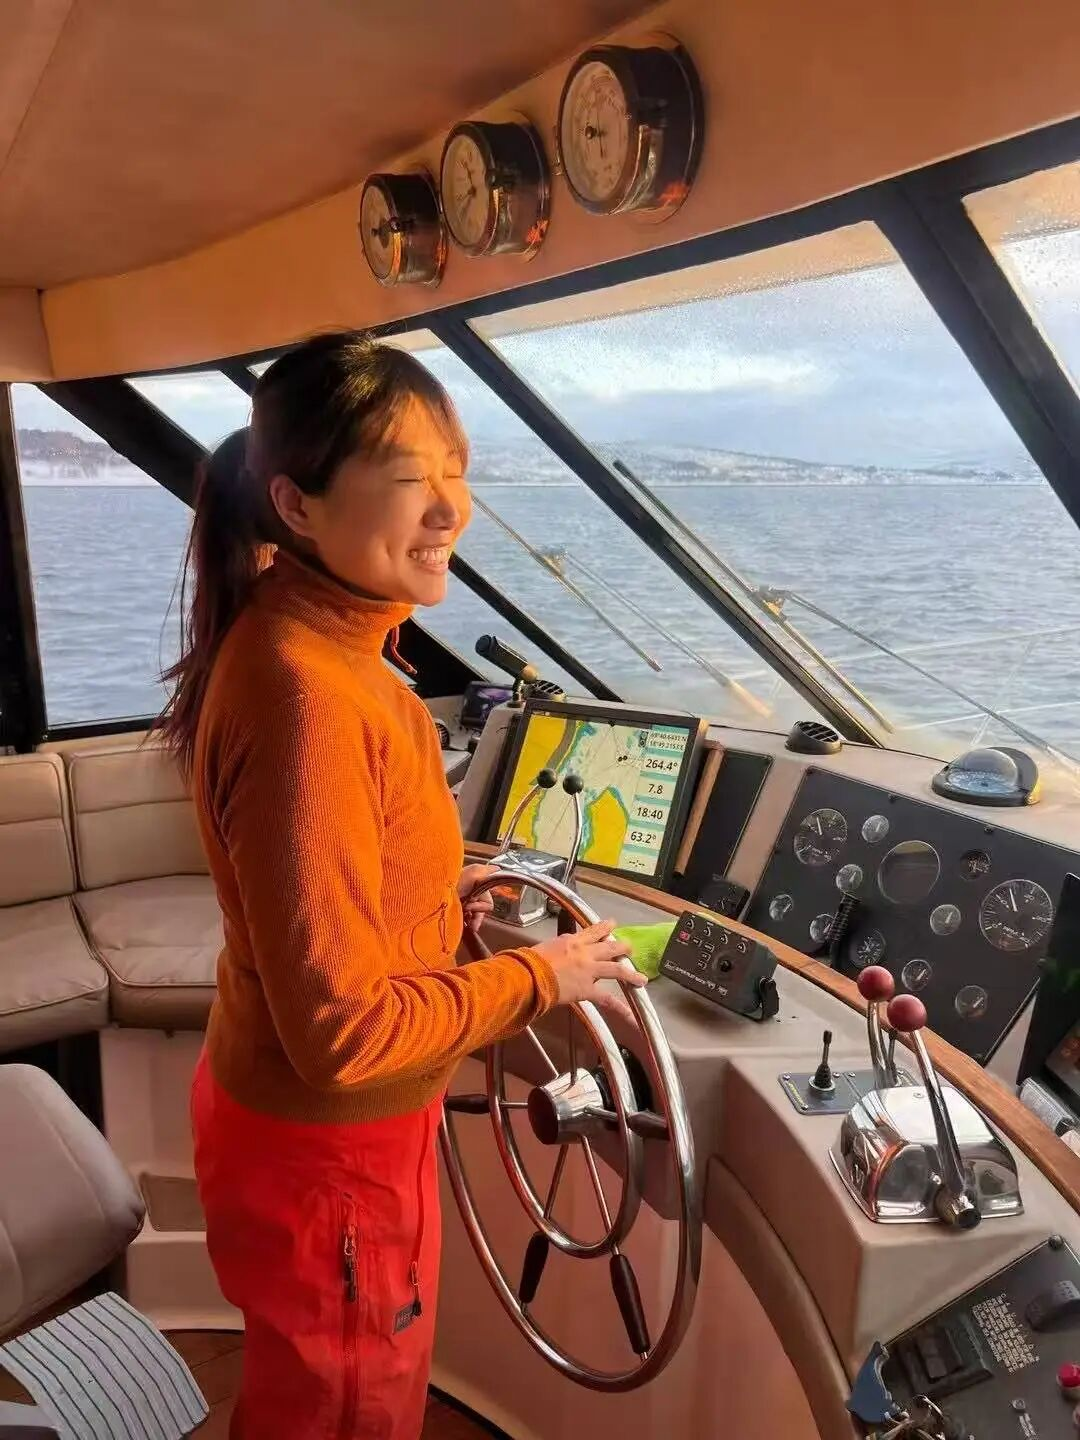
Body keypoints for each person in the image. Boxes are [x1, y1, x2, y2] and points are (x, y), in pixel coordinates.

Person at [155, 332, 642, 1440]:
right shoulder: (310, 696)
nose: (451, 510)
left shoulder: (315, 645)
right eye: (412, 476)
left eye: (458, 472)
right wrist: (542, 977)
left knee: (313, 1396)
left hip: (304, 1139)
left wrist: (438, 896)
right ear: (298, 504)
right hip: (331, 1154)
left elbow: (331, 877)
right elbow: (343, 1033)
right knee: (343, 1414)